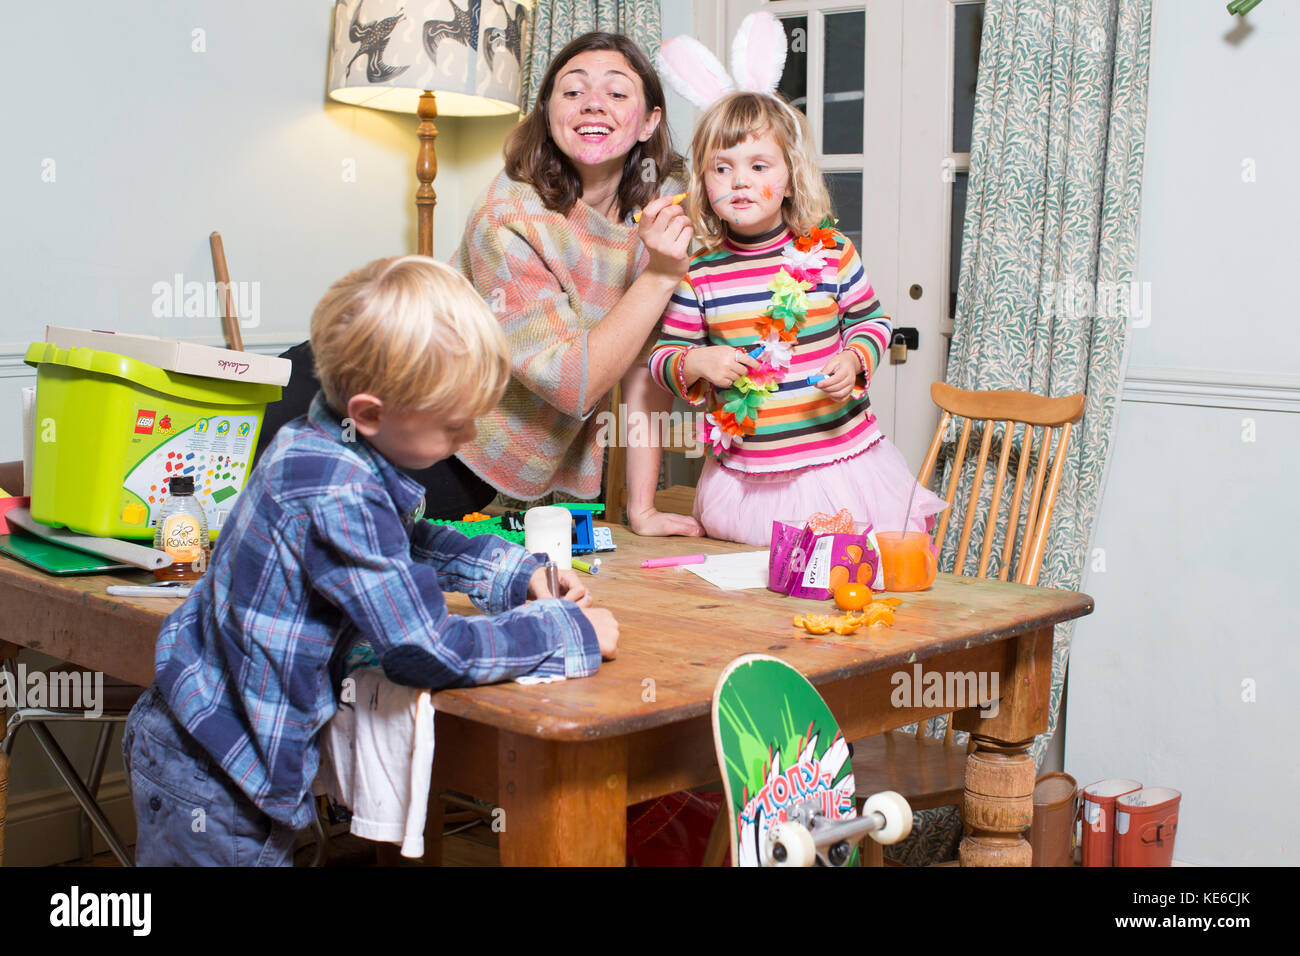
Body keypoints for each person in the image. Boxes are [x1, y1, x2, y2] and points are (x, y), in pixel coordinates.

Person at [123, 256, 619, 866]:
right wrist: (566, 629)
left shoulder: (323, 443)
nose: (466, 442)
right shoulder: (336, 488)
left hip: (201, 740)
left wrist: (516, 574)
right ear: (370, 414)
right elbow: (423, 647)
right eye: (453, 427)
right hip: (214, 773)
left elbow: (403, 547)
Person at [648, 91, 947, 546]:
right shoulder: (698, 272)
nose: (739, 182)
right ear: (704, 184)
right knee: (758, 603)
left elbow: (873, 323)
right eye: (722, 168)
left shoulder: (831, 253)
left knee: (844, 587)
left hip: (840, 469)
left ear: (790, 180)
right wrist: (697, 364)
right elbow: (663, 356)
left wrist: (853, 362)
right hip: (747, 482)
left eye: (759, 167)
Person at [451, 32, 702, 537]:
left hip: (540, 478)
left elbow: (645, 361)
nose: (593, 104)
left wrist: (643, 508)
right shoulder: (509, 216)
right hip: (437, 443)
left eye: (616, 92)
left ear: (649, 120)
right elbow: (573, 383)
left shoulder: (666, 202)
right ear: (547, 113)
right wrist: (658, 276)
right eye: (572, 92)